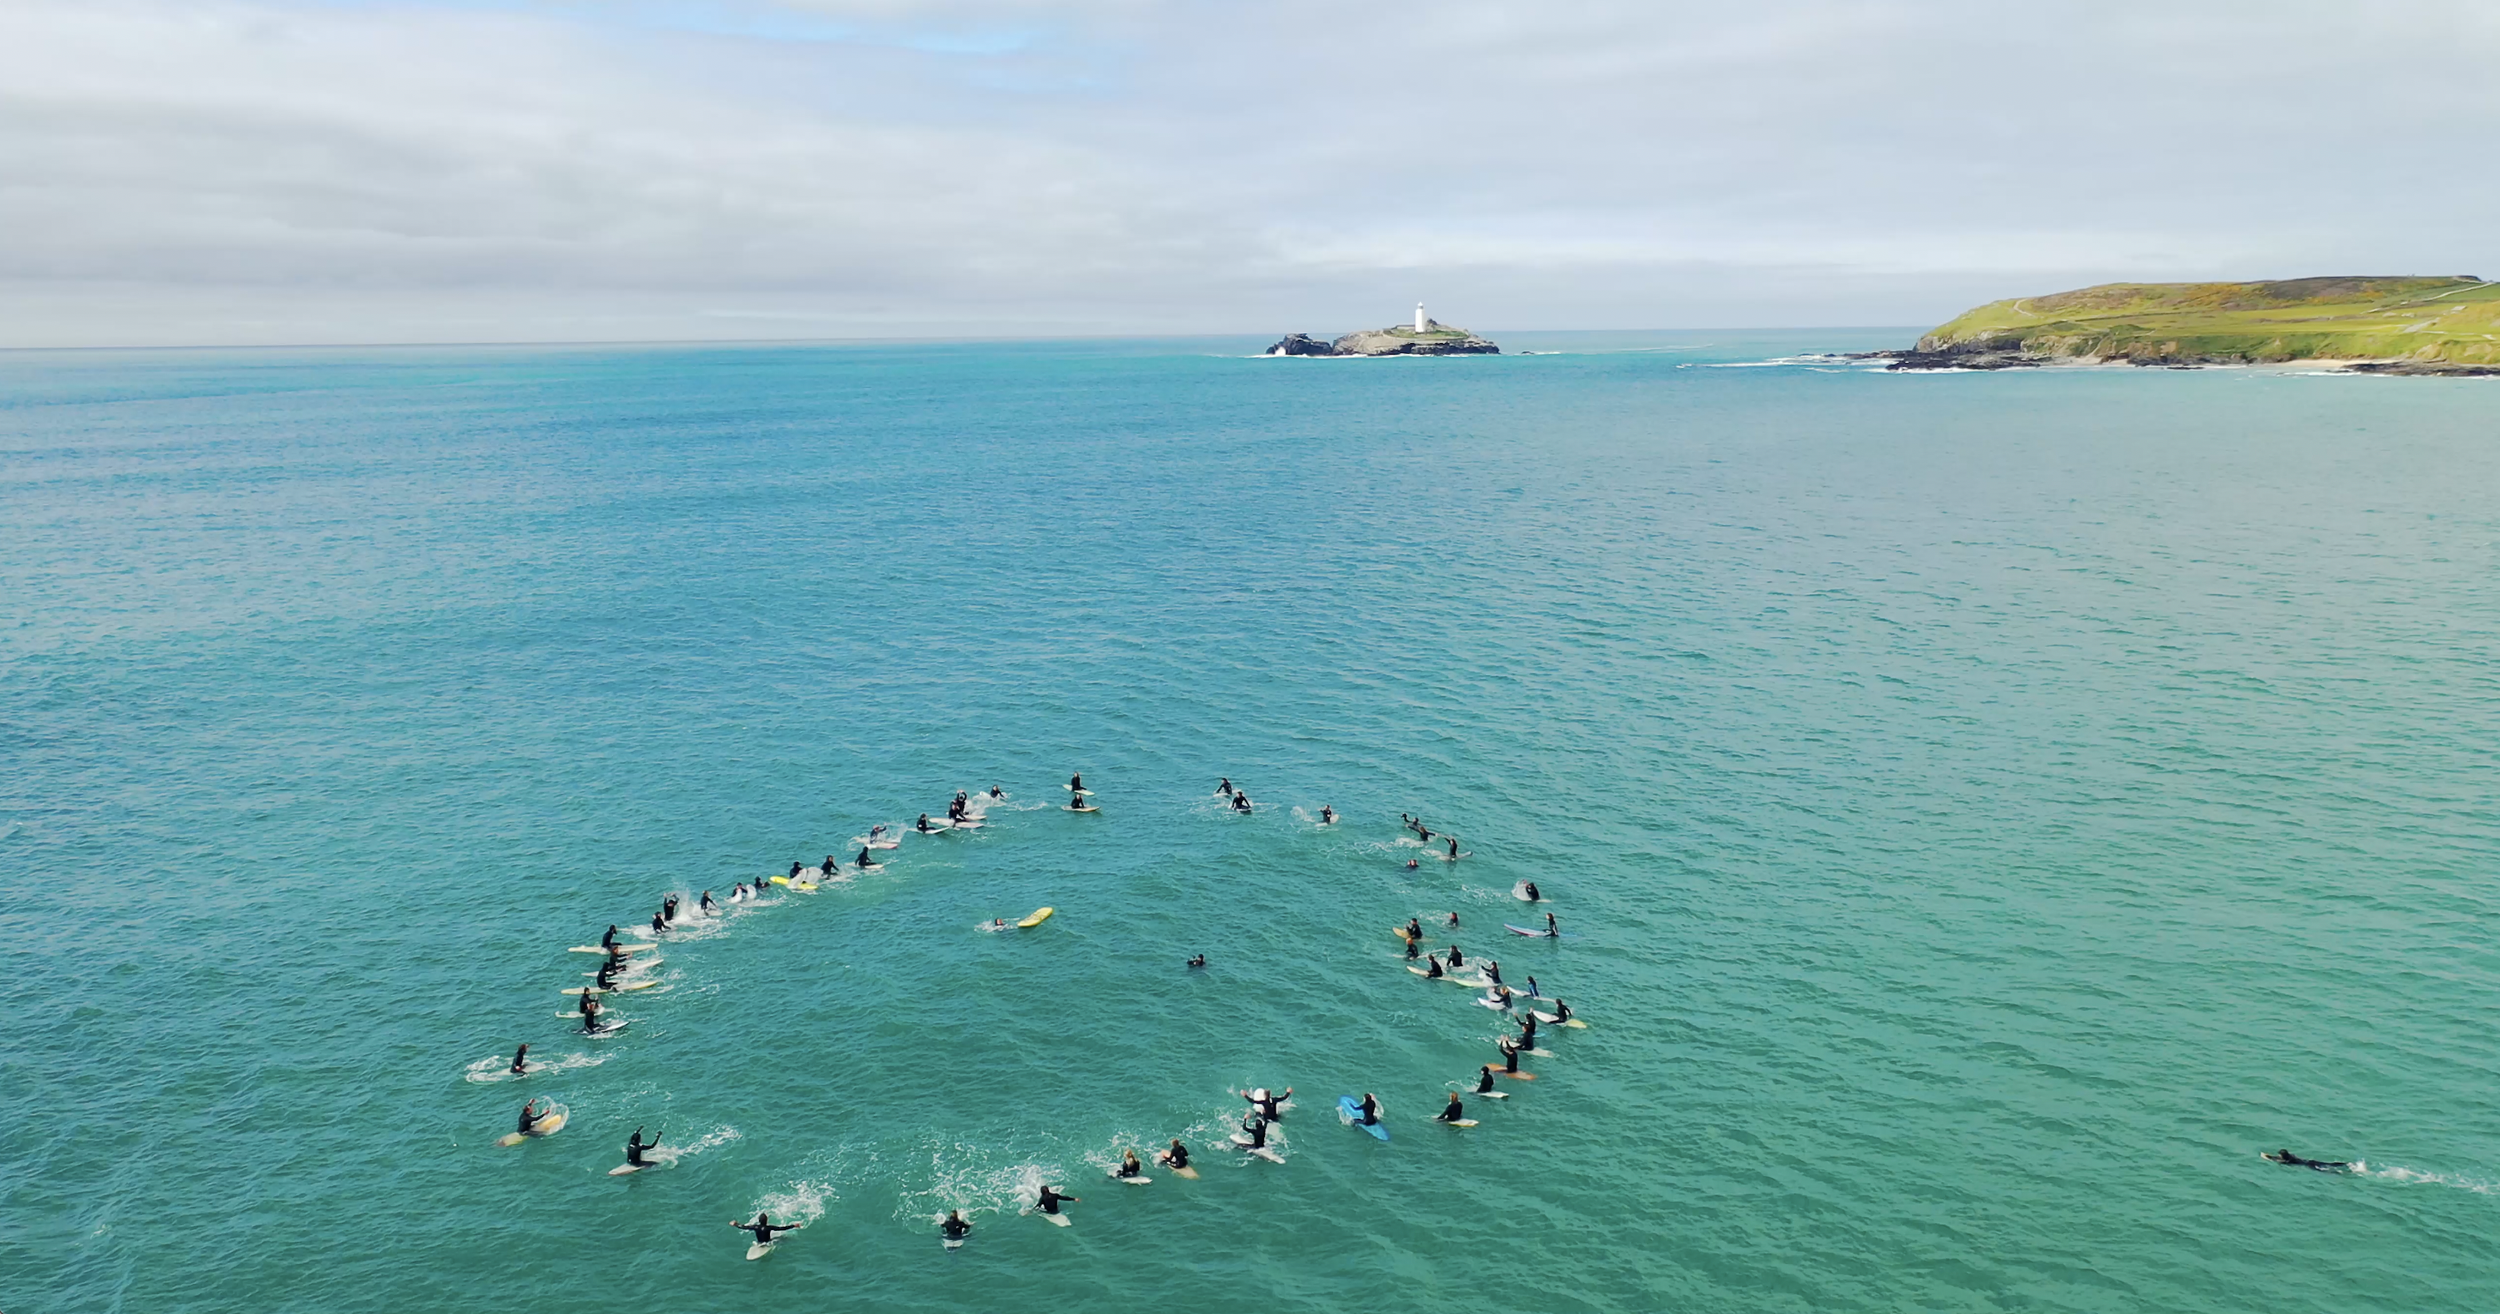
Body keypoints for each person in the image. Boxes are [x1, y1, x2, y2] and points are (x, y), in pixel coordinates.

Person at [731, 1213, 799, 1246]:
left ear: (759, 1221)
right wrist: (793, 1225)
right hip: (768, 1243)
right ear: (766, 1220)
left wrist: (736, 1224)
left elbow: (744, 1227)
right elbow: (782, 1228)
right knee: (783, 1239)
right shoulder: (769, 1227)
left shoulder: (755, 1227)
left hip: (759, 1243)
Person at [2266, 1149, 2353, 1172]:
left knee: (2323, 1170)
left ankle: (2338, 1172)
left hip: (2308, 1165)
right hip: (2310, 1161)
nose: (2278, 1155)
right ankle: (2346, 1164)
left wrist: (2268, 1157)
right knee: (2328, 1164)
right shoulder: (2291, 1156)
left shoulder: (2287, 1161)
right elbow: (2276, 1158)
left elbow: (2277, 1160)